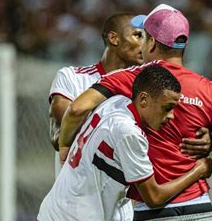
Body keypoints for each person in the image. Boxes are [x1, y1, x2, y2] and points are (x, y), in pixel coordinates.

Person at [59, 4, 212, 221]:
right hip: (202, 216)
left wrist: (65, 145)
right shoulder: (210, 90)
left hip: (155, 220)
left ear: (153, 43)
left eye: (143, 37)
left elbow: (78, 108)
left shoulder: (135, 79)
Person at [37, 65, 212, 221]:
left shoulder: (115, 103)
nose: (171, 116)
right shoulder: (128, 133)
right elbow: (154, 197)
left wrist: (64, 144)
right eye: (167, 108)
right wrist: (199, 170)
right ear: (144, 99)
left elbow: (77, 110)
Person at [48, 12, 144, 177]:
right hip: (76, 198)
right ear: (114, 38)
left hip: (125, 200)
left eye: (147, 38)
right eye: (137, 35)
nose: (145, 44)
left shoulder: (145, 89)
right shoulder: (72, 77)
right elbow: (60, 135)